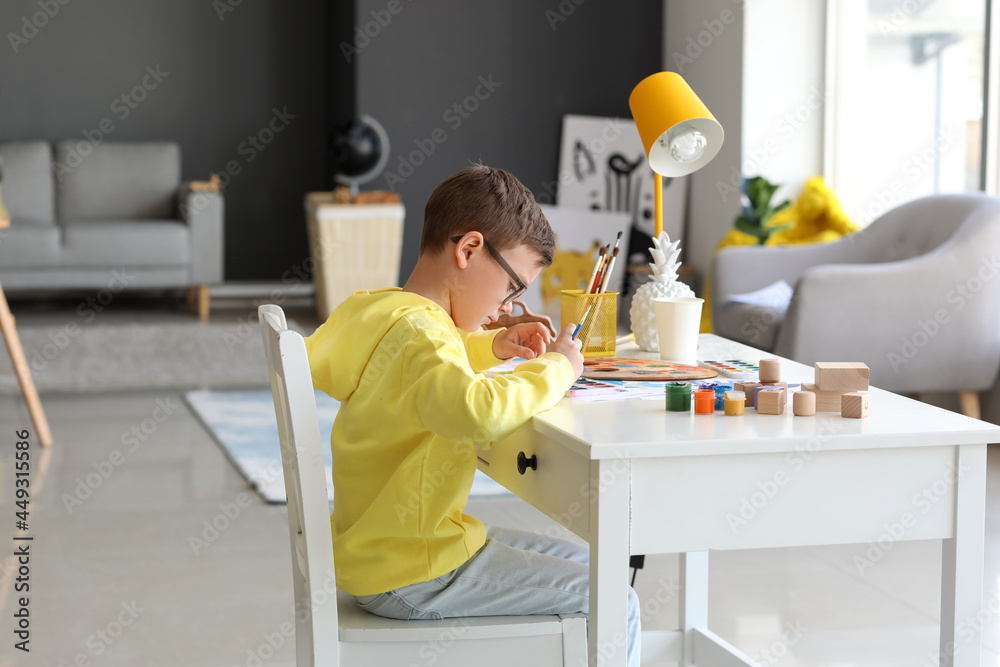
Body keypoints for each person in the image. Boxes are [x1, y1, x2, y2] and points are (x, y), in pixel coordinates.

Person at [305, 164, 641, 666]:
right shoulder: (424, 337)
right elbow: (475, 411)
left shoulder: (381, 311)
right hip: (415, 572)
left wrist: (494, 345)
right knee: (617, 598)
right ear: (468, 250)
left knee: (600, 567)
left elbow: (421, 368)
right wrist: (558, 367)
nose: (509, 305)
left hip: (382, 550)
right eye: (512, 288)